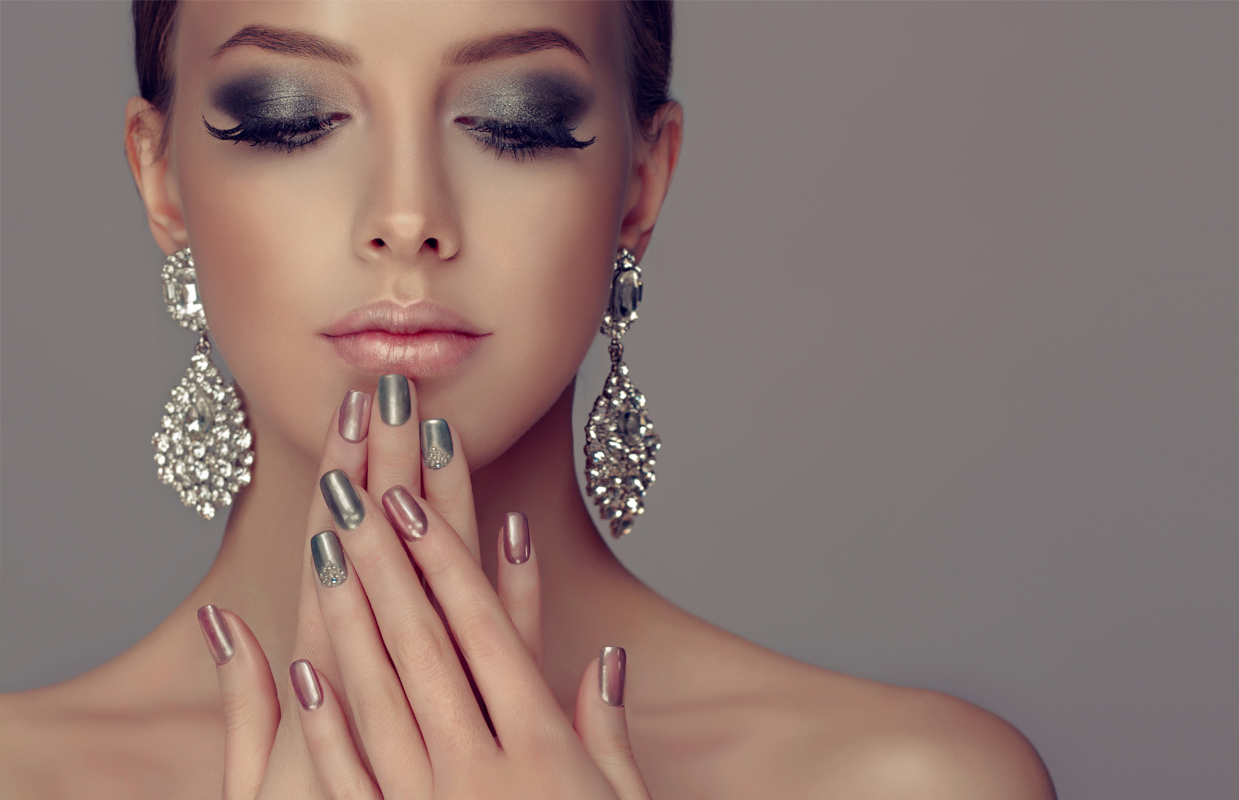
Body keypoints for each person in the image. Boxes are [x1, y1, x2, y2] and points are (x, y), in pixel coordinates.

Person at [0, 1, 1055, 797]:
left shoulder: (905, 780)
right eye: (290, 118)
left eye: (515, 122)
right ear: (161, 176)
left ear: (642, 182)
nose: (406, 215)